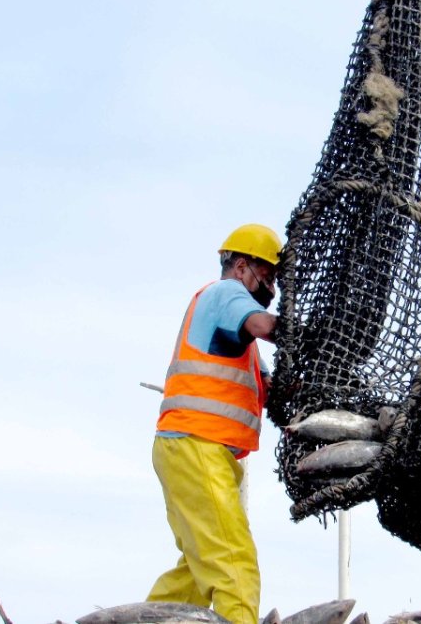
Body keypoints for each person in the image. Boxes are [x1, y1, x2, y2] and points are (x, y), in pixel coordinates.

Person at [146, 223, 281, 624]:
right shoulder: (226, 293)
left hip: (190, 449)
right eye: (268, 277)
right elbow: (265, 326)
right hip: (198, 444)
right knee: (234, 564)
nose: (270, 290)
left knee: (195, 567)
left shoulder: (239, 339)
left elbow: (271, 388)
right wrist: (315, 334)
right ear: (241, 266)